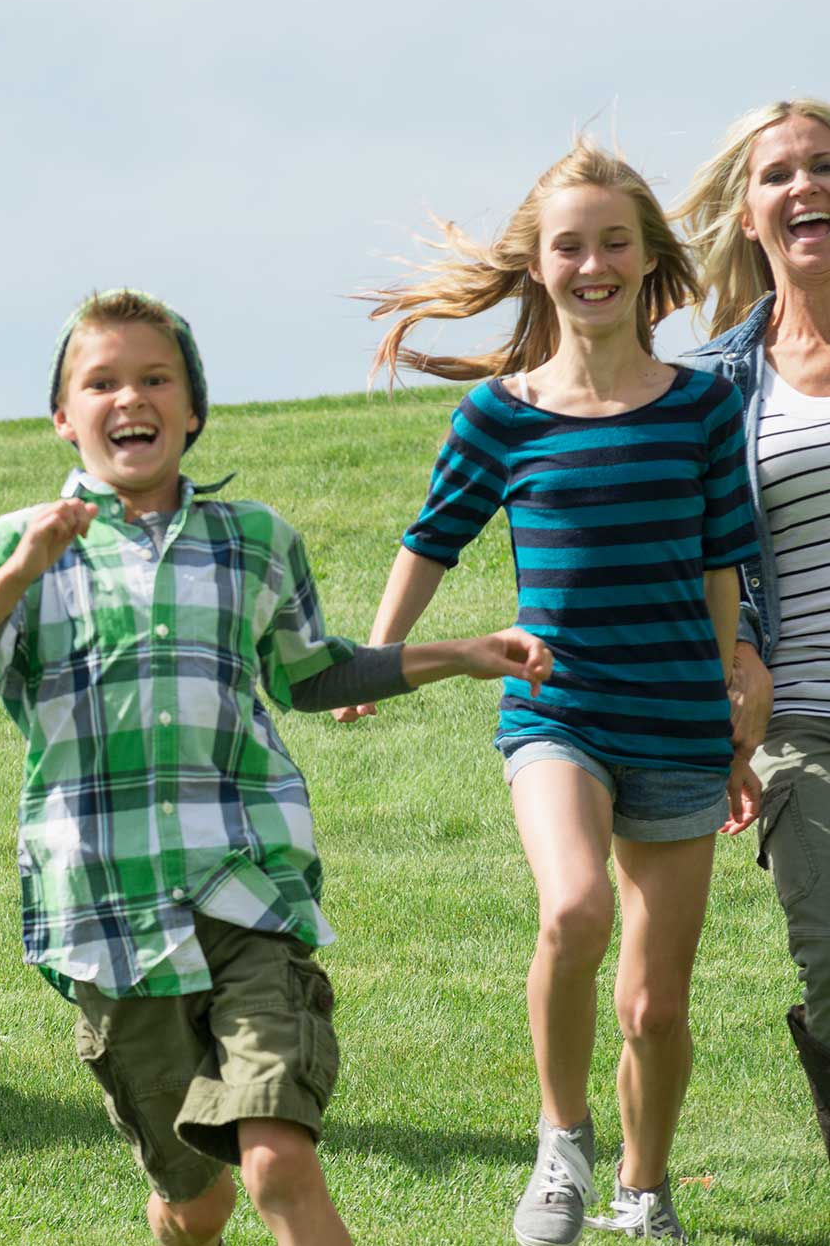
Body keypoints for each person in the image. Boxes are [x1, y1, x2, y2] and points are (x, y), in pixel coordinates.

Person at [0, 288, 547, 1246]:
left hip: (251, 887)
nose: (130, 400)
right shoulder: (10, 548)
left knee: (281, 1161)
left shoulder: (255, 541)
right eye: (101, 382)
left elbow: (313, 675)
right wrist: (14, 580)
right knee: (196, 1203)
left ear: (192, 407)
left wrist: (463, 652)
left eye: (155, 379)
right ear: (62, 417)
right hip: (108, 914)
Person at [353, 142, 758, 1243]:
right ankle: (559, 1150)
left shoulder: (701, 410)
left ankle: (644, 1187)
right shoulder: (501, 415)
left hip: (676, 719)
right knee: (572, 906)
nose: (592, 264)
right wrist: (380, 660)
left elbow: (722, 571)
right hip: (556, 711)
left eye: (613, 242)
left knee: (653, 1005)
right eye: (568, 245)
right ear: (535, 263)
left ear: (647, 260)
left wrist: (730, 726)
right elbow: (429, 540)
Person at [673, 98, 830, 1163]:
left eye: (824, 165)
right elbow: (700, 566)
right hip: (800, 723)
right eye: (778, 174)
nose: (805, 187)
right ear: (745, 212)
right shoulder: (719, 386)